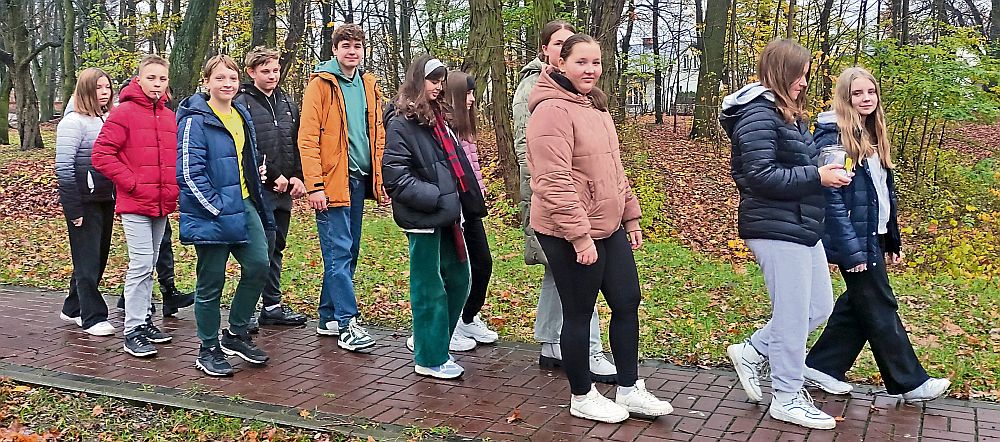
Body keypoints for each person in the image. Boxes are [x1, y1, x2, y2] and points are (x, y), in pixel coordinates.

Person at [527, 34, 673, 424]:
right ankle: (582, 395)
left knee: (627, 301)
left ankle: (629, 387)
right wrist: (579, 236)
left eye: (596, 62)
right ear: (560, 63)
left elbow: (613, 169)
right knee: (579, 312)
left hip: (608, 224)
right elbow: (552, 180)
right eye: (581, 62)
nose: (590, 69)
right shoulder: (551, 110)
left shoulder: (595, 105)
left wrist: (631, 215)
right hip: (567, 230)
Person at [719, 38, 852, 430]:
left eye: (806, 75)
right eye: (799, 75)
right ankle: (787, 396)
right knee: (793, 316)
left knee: (817, 308)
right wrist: (816, 176)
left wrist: (826, 167)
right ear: (781, 73)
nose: (804, 82)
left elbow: (793, 163)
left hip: (802, 224)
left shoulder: (786, 113)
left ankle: (752, 350)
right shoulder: (757, 115)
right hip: (774, 226)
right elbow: (759, 176)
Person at [804, 66, 951, 403]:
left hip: (874, 234)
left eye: (870, 92)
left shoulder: (871, 133)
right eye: (857, 93)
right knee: (880, 303)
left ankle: (821, 366)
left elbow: (882, 194)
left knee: (859, 303)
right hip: (854, 239)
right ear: (845, 98)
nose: (866, 98)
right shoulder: (834, 137)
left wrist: (891, 237)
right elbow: (831, 199)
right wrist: (850, 250)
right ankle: (910, 382)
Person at [512, 19, 616, 383]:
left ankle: (551, 343)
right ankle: (588, 350)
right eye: (558, 43)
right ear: (547, 51)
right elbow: (531, 153)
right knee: (578, 278)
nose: (564, 49)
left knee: (558, 275)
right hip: (552, 199)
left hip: (578, 198)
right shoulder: (535, 90)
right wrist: (549, 195)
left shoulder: (583, 94)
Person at [383, 55, 487, 379]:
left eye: (441, 80)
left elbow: (456, 166)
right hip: (424, 218)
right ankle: (429, 357)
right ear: (418, 81)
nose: (438, 86)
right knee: (429, 288)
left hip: (449, 216)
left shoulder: (439, 119)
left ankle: (432, 341)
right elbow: (395, 177)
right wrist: (437, 197)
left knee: (459, 280)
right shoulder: (401, 123)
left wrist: (464, 201)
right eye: (433, 80)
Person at [176, 54, 275, 377]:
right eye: (219, 78)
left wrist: (256, 173)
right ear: (206, 82)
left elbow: (245, 158)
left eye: (232, 78)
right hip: (211, 212)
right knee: (211, 282)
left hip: (244, 204)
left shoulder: (241, 113)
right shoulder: (194, 119)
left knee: (259, 265)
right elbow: (189, 172)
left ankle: (235, 333)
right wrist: (215, 207)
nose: (227, 84)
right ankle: (208, 348)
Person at [298, 23, 385, 351]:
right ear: (334, 50)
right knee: (338, 251)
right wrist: (315, 186)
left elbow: (377, 133)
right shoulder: (320, 85)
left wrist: (380, 179)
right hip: (332, 182)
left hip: (359, 181)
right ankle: (348, 323)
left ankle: (328, 316)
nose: (352, 51)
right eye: (345, 45)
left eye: (357, 46)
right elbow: (307, 139)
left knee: (349, 250)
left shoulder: (368, 84)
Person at [92, 54, 179, 358]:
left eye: (162, 79)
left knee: (150, 264)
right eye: (151, 78)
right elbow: (101, 154)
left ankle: (144, 319)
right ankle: (132, 330)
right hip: (135, 202)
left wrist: (173, 188)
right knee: (140, 265)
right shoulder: (124, 112)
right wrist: (131, 182)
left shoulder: (169, 116)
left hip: (162, 203)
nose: (157, 84)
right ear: (139, 79)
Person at [234, 46, 308, 328]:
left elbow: (297, 141)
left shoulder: (287, 102)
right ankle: (246, 310)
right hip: (258, 190)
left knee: (277, 246)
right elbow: (247, 146)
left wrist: (298, 176)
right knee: (259, 251)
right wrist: (272, 176)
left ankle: (272, 305)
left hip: (285, 190)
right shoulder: (242, 102)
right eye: (265, 71)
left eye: (276, 70)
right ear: (252, 72)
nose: (272, 76)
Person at [439, 71, 498, 351]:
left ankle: (467, 316)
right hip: (453, 210)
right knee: (453, 270)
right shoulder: (442, 129)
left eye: (473, 93)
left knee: (483, 264)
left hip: (471, 207)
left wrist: (479, 193)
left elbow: (473, 169)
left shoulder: (466, 129)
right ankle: (445, 325)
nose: (472, 99)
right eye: (467, 94)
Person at [56, 68, 117, 336]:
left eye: (107, 87)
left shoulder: (108, 118)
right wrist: (74, 209)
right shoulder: (73, 123)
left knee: (96, 258)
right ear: (85, 90)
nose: (104, 93)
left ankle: (72, 306)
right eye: (98, 88)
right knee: (88, 260)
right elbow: (64, 168)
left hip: (107, 198)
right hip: (84, 201)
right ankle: (92, 316)